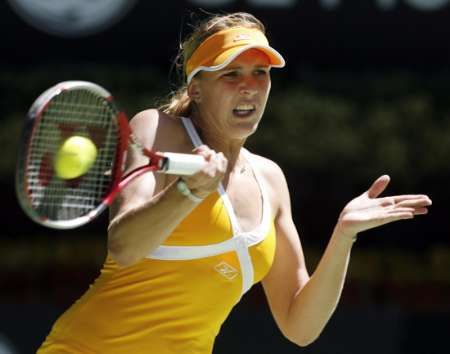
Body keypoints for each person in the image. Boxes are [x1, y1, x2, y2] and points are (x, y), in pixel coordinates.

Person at [37, 12, 432, 354]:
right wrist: (188, 192)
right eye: (231, 74)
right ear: (196, 88)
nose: (250, 86)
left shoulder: (270, 179)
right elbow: (124, 246)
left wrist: (344, 236)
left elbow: (300, 325)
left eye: (260, 73)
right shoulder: (159, 130)